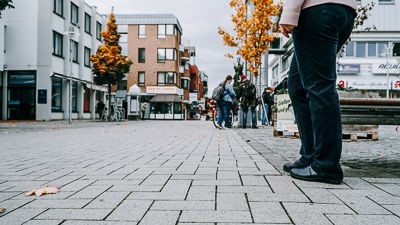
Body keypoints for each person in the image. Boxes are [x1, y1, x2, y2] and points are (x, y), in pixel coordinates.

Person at [279, 0, 357, 184]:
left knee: (319, 86)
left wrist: (289, 11)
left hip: (317, 9)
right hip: (341, 11)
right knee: (297, 86)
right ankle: (310, 155)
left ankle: (326, 166)